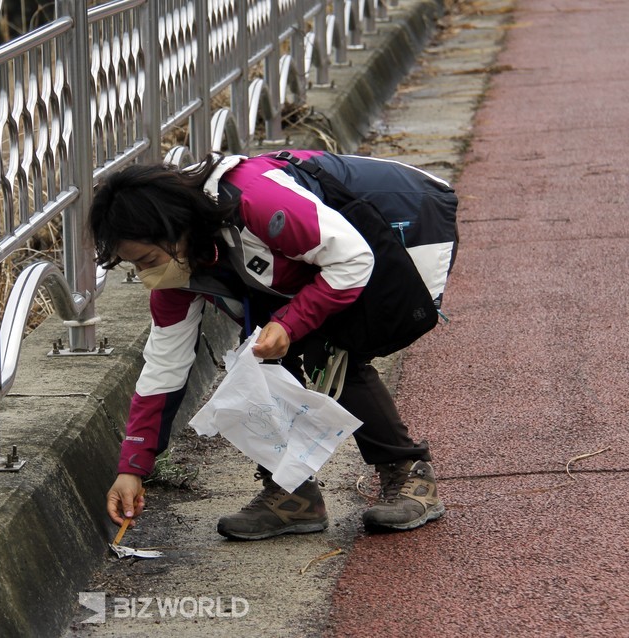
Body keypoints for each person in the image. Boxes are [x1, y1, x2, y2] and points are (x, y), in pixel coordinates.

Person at [89, 150, 458, 540]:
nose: (147, 275)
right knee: (258, 357)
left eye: (147, 259)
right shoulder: (180, 271)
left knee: (332, 352)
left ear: (174, 227)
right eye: (135, 267)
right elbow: (165, 367)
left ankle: (408, 473)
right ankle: (293, 495)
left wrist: (290, 323)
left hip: (404, 220)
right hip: (331, 254)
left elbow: (350, 258)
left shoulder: (256, 201)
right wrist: (132, 466)